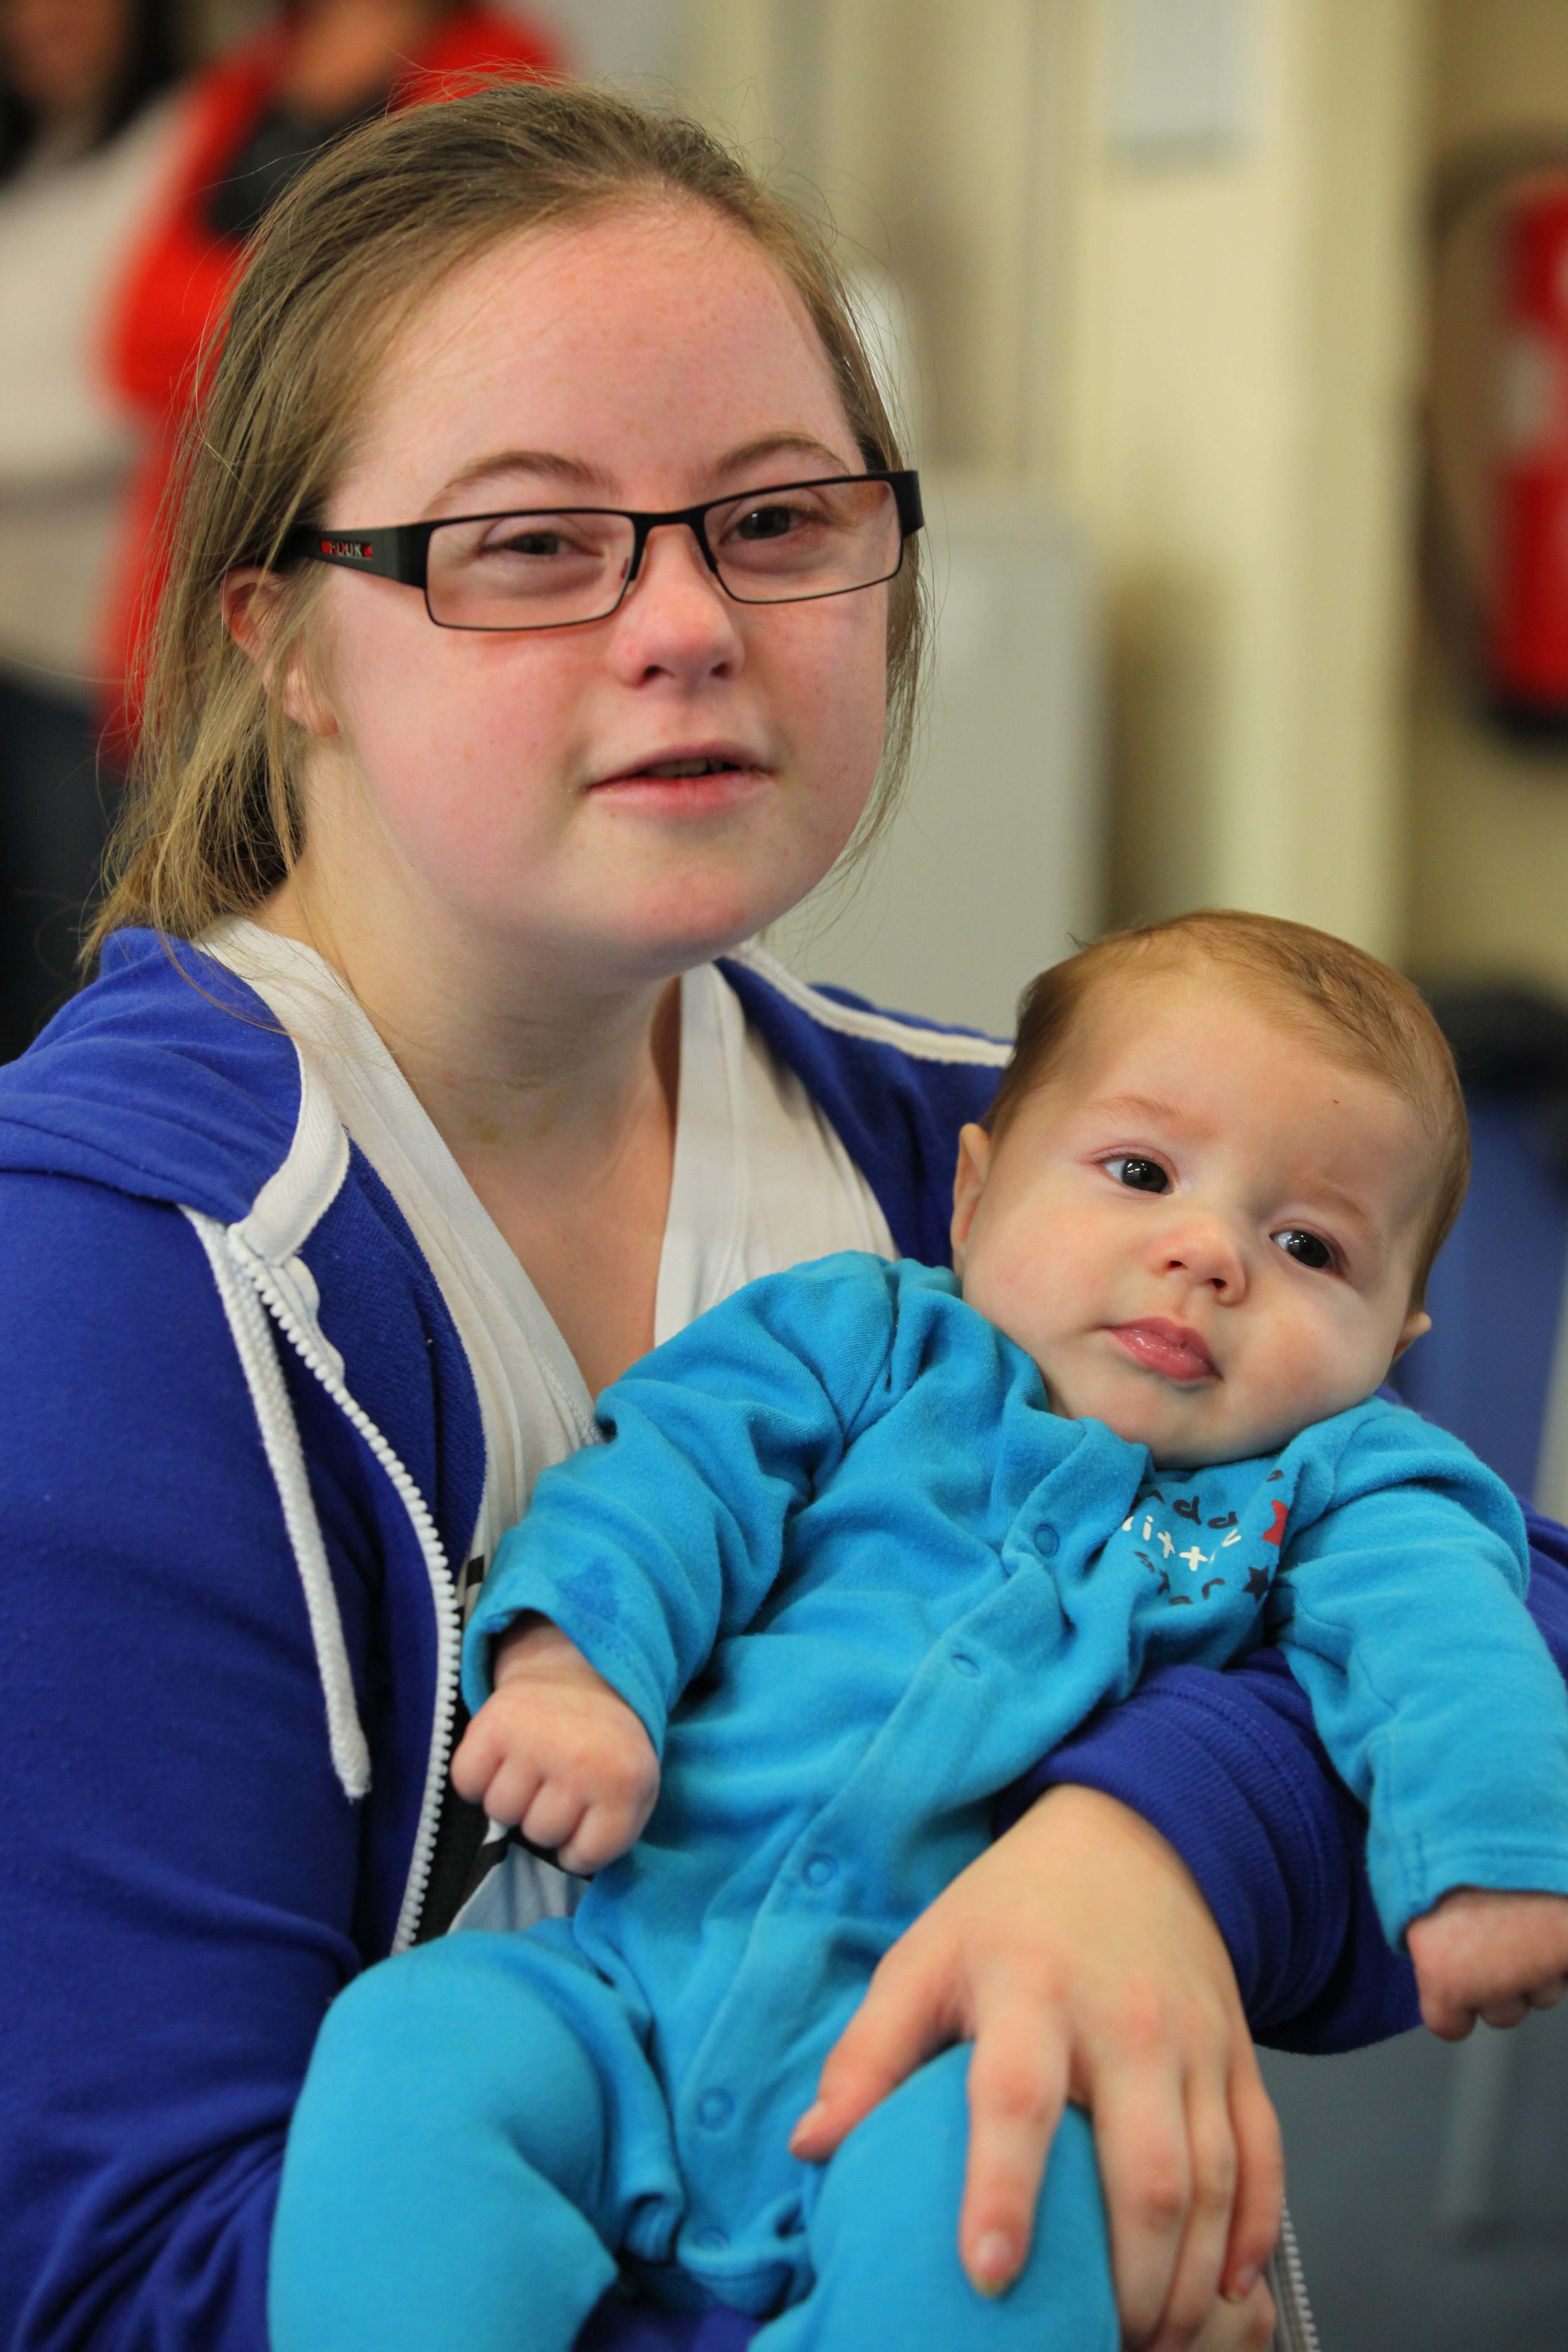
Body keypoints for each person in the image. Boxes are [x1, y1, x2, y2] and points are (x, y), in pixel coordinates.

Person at [0, 77, 1564, 2352]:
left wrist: (1146, 1846)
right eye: (531, 542)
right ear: (282, 640)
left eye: (779, 516)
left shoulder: (984, 1156)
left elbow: (1481, 1583)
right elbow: (121, 2279)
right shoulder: (104, 1278)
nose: (687, 623)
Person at [267, 910, 1568, 2352]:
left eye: (1310, 1244)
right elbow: (666, 1479)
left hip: (962, 2063)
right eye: (1138, 1172)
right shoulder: (861, 1340)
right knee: (411, 2057)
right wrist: (577, 1666)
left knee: (996, 2230)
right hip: (624, 1984)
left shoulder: (1336, 1480)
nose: (1206, 1254)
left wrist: (1494, 1847)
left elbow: (1447, 1639)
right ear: (975, 1190)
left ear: (1395, 1340)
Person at [95, 0, 562, 748]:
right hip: (191, 583)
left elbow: (417, 336)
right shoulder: (249, 76)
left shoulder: (500, 68)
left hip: (365, 573)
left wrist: (234, 313)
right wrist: (318, 308)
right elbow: (134, 336)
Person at [0, 0, 181, 1056]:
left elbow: (127, 384)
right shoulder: (42, 156)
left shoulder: (187, 135)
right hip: (13, 644)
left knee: (78, 989)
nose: (40, 20)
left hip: (97, 665)